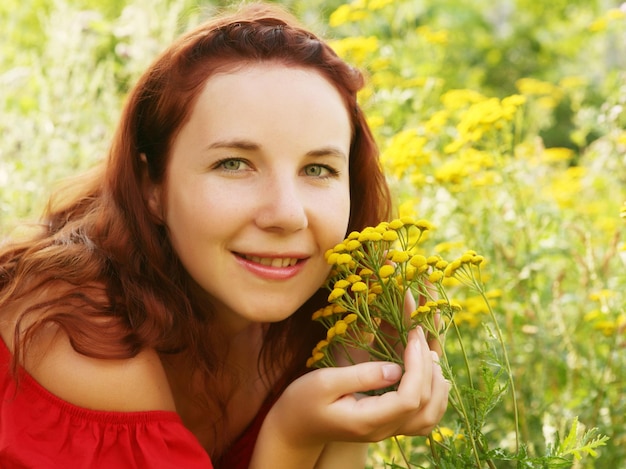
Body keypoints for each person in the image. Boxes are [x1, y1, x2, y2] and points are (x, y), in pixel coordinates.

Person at [0, 2, 449, 468]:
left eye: (318, 169)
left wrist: (353, 385)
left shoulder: (320, 318)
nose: (287, 215)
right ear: (151, 186)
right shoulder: (73, 330)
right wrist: (294, 434)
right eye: (233, 164)